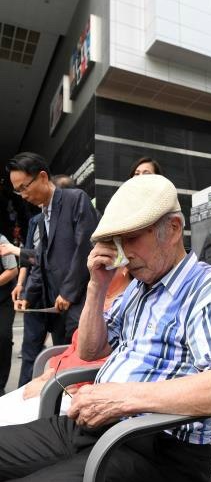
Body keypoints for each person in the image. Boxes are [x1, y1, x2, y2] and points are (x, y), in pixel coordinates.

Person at [0, 174, 211, 482]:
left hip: (155, 447)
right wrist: (96, 286)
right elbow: (90, 350)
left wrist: (122, 398)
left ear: (173, 229)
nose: (122, 252)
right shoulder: (138, 288)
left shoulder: (208, 290)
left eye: (132, 238)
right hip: (93, 427)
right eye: (116, 241)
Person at [0, 268, 131, 426]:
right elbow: (75, 348)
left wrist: (56, 384)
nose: (94, 268)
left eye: (105, 263)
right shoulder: (98, 299)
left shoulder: (128, 305)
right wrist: (49, 375)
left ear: (125, 266)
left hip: (73, 389)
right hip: (58, 380)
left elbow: (111, 362)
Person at [6, 152, 98, 348]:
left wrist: (68, 292)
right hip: (57, 311)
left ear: (42, 177)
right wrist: (27, 297)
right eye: (18, 191)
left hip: (80, 304)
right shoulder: (42, 218)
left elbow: (85, 248)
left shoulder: (75, 200)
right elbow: (41, 263)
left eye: (24, 187)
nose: (23, 195)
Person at [0, 234, 18, 396]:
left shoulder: (1, 240)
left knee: (3, 338)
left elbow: (12, 270)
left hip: (3, 300)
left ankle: (0, 385)